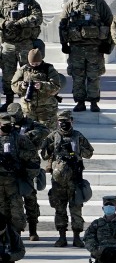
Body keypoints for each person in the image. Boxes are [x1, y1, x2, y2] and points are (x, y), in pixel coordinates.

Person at [59, 0, 113, 113]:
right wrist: (63, 43)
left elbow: (110, 24)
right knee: (77, 77)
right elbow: (63, 25)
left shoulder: (100, 4)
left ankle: (94, 102)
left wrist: (108, 44)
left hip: (95, 48)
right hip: (76, 48)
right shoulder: (71, 4)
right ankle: (80, 102)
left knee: (94, 76)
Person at [40, 110, 92, 247]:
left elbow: (89, 153)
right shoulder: (53, 136)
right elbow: (44, 155)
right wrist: (50, 147)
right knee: (60, 209)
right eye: (61, 121)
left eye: (66, 121)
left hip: (75, 179)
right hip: (58, 181)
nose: (63, 124)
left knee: (76, 209)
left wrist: (77, 151)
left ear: (71, 121)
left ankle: (77, 236)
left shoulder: (78, 136)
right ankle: (62, 236)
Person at [0, 0, 44, 110]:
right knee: (8, 74)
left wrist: (21, 23)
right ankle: (9, 101)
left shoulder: (29, 2)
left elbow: (38, 17)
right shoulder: (2, 2)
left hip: (25, 43)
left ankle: (28, 99)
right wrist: (4, 23)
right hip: (8, 44)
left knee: (28, 72)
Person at [9, 103, 48, 241]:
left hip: (28, 168)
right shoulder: (8, 126)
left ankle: (33, 230)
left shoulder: (30, 124)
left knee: (30, 199)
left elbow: (45, 130)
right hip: (12, 168)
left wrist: (26, 136)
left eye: (16, 115)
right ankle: (16, 230)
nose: (14, 119)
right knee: (14, 202)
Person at [0, 111, 38, 235]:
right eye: (3, 125)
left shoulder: (19, 138)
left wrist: (18, 157)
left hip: (14, 181)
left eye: (8, 125)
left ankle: (17, 235)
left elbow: (32, 153)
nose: (6, 127)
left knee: (16, 211)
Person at [12, 47, 62, 126]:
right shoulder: (23, 70)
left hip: (47, 109)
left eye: (37, 64)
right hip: (28, 109)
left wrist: (42, 85)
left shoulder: (49, 69)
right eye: (32, 64)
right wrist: (22, 86)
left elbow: (56, 86)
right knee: (29, 133)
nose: (34, 65)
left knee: (48, 132)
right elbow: (13, 85)